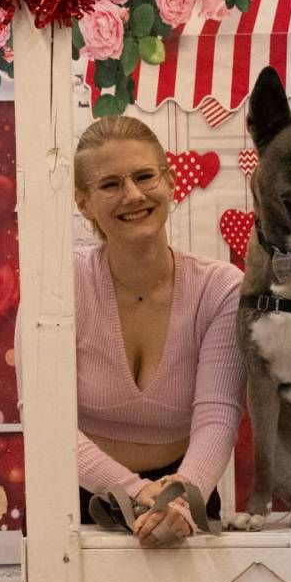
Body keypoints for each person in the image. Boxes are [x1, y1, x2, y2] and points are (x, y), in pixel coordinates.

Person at [69, 115, 244, 546]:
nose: (132, 195)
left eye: (145, 176)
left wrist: (179, 500)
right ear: (83, 202)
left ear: (169, 182)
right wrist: (138, 493)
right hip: (73, 501)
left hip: (187, 501)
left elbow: (218, 416)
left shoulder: (221, 288)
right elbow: (45, 422)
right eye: (109, 184)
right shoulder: (57, 284)